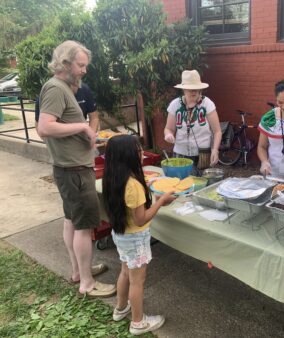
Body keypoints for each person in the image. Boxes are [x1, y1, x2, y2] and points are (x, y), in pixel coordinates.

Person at [37, 40, 116, 297]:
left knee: (72, 221)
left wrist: (86, 132)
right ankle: (87, 283)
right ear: (65, 63)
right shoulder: (55, 89)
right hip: (74, 170)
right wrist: (83, 127)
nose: (84, 70)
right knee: (84, 226)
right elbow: (44, 127)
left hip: (69, 168)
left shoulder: (64, 88)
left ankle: (78, 271)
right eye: (81, 65)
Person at [102, 135, 176, 335]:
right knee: (138, 280)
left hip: (122, 235)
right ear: (127, 156)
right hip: (135, 238)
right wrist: (161, 201)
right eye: (138, 151)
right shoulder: (133, 185)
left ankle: (120, 308)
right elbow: (141, 219)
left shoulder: (113, 177)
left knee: (125, 272)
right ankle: (138, 322)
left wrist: (156, 198)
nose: (142, 154)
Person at [163, 70, 222, 170]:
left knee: (203, 183)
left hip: (203, 155)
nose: (194, 92)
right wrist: (168, 134)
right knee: (181, 183)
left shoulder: (207, 104)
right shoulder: (175, 104)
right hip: (180, 154)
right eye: (190, 89)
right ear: (184, 90)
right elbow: (168, 128)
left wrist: (215, 150)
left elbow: (217, 131)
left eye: (196, 89)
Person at [35, 83, 99, 132]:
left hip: (82, 140)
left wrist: (91, 136)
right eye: (80, 65)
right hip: (59, 142)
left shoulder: (84, 89)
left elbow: (94, 117)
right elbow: (39, 124)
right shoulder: (50, 91)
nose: (84, 71)